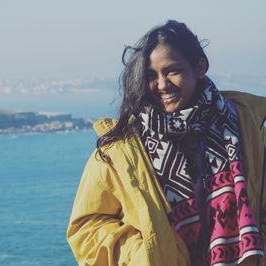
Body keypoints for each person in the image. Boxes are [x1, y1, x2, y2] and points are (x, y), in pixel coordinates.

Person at [66, 20, 266, 266]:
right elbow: (86, 228)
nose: (161, 84)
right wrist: (146, 255)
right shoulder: (121, 148)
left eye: (172, 70)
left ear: (199, 67)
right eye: (151, 75)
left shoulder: (245, 127)